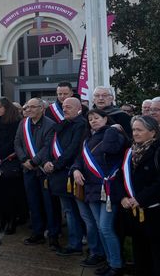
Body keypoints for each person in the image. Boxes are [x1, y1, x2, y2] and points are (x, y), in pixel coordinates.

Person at [71, 109, 127, 276]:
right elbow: (80, 159)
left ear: (105, 119)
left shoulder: (114, 134)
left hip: (108, 189)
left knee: (106, 227)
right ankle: (109, 262)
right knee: (100, 227)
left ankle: (117, 265)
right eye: (90, 119)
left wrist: (111, 129)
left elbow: (111, 149)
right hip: (91, 189)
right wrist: (75, 170)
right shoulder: (88, 138)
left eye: (97, 118)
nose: (93, 121)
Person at [43, 97, 88, 256]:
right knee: (69, 211)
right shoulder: (60, 125)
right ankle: (74, 243)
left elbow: (73, 149)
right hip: (58, 175)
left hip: (70, 174)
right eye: (63, 106)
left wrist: (56, 164)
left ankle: (79, 244)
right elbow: (49, 146)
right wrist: (47, 161)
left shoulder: (81, 125)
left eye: (69, 106)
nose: (65, 109)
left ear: (79, 109)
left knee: (80, 213)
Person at [14, 98, 60, 249]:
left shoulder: (51, 125)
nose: (29, 110)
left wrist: (34, 161)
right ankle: (37, 233)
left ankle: (53, 236)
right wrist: (24, 159)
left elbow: (48, 146)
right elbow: (18, 143)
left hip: (43, 171)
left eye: (33, 107)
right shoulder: (23, 123)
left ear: (41, 108)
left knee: (49, 204)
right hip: (28, 170)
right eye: (28, 107)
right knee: (33, 203)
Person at [117, 116, 160, 276]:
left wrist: (140, 198)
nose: (135, 133)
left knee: (155, 252)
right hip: (133, 211)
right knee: (139, 251)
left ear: (153, 132)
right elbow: (120, 176)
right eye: (134, 129)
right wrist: (122, 197)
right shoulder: (130, 151)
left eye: (139, 130)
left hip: (153, 211)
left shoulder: (157, 150)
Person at [0, 96, 22, 234]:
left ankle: (11, 221)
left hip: (10, 160)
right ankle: (1, 220)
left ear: (7, 108)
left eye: (0, 107)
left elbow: (13, 142)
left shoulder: (16, 122)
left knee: (11, 194)